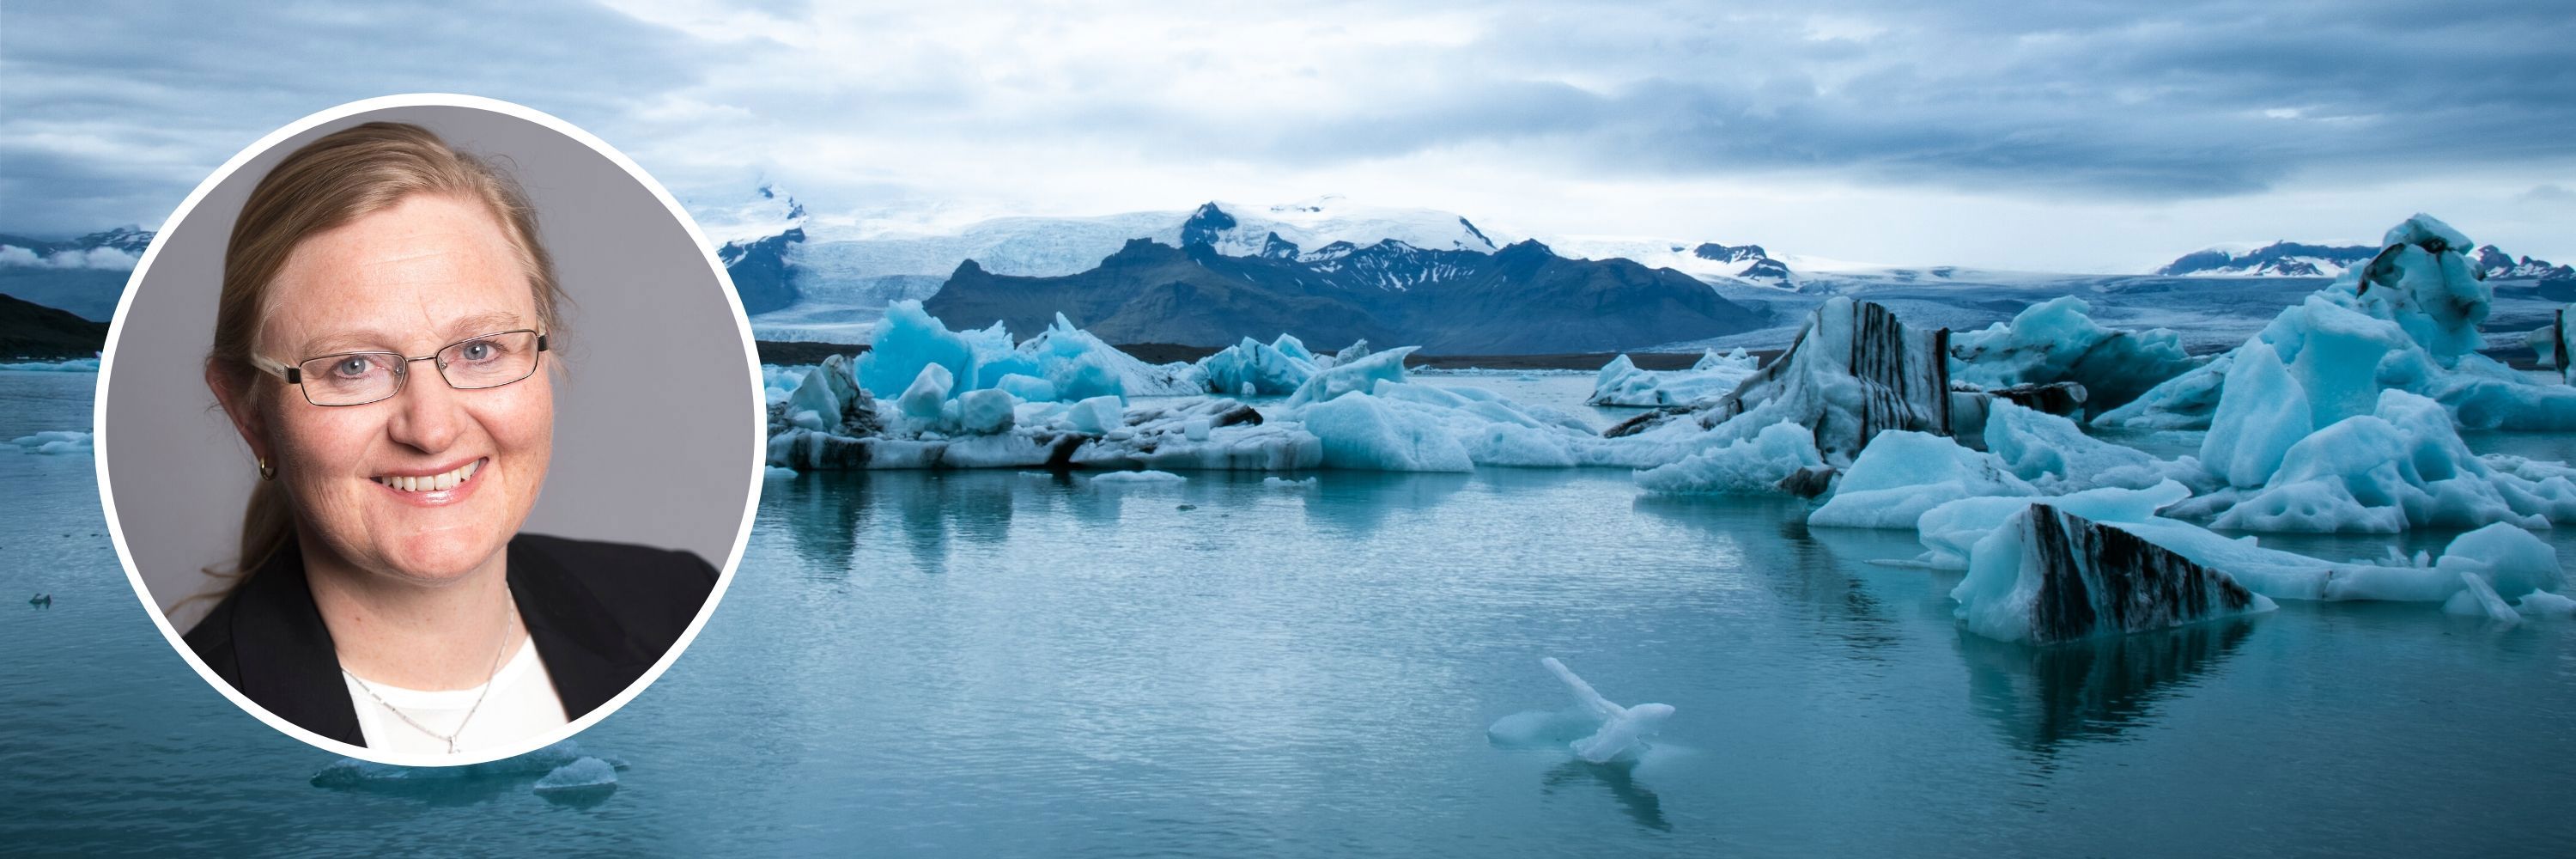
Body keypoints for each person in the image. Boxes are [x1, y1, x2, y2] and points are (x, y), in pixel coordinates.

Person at [183, 121, 715, 755]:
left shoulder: (683, 603)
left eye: (479, 349)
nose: (432, 430)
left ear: (547, 357)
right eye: (353, 365)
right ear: (249, 413)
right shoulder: (182, 743)